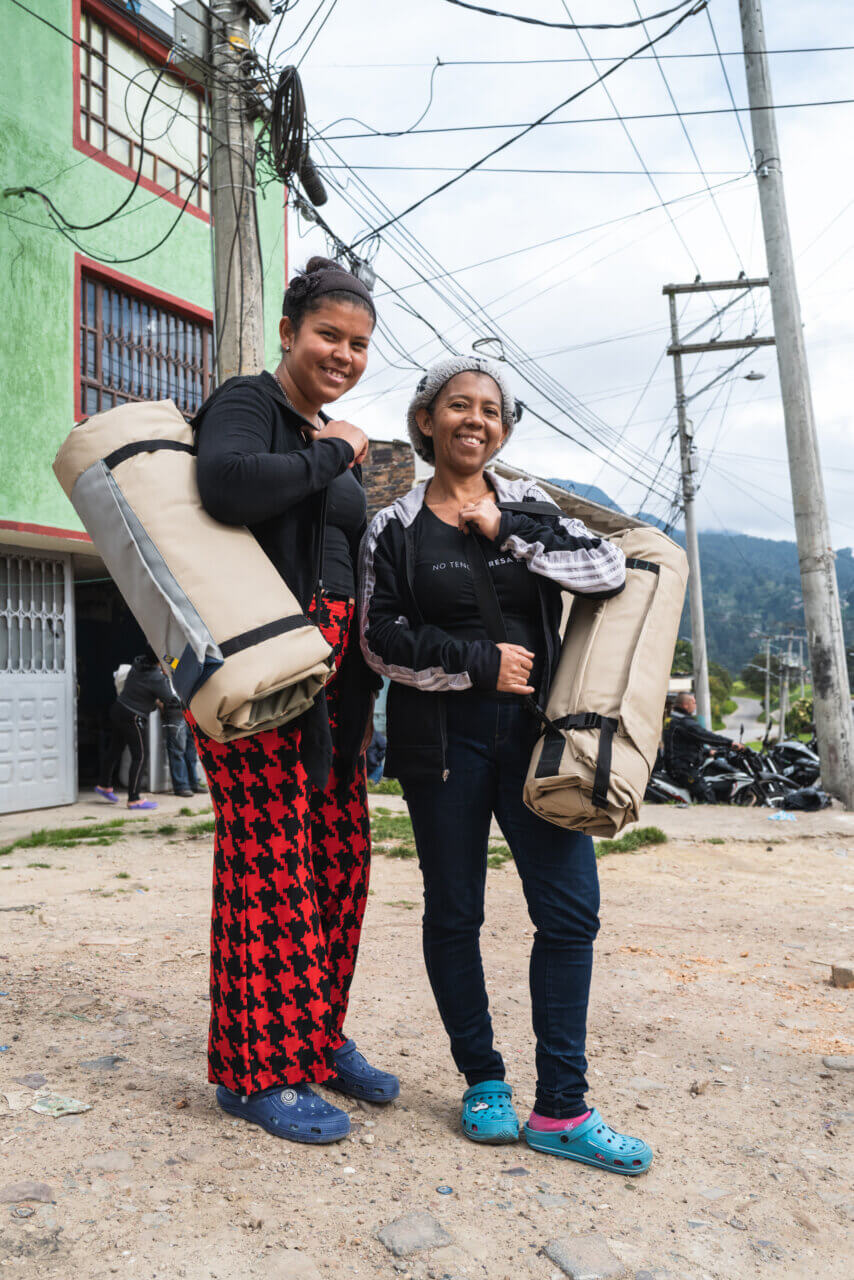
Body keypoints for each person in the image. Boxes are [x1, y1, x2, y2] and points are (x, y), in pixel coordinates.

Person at [359, 356, 653, 1175]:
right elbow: (377, 638)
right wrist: (475, 661)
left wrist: (508, 531)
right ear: (427, 420)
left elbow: (609, 569)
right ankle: (482, 1079)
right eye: (459, 405)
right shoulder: (394, 526)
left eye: (491, 410)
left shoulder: (533, 511)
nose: (475, 419)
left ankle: (562, 1107)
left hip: (536, 743)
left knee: (569, 913)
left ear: (505, 430)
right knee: (455, 914)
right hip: (440, 746)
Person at [188, 256, 398, 1145]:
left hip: (336, 681)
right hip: (263, 667)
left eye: (357, 344)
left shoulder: (316, 430)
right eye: (327, 336)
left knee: (338, 861)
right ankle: (255, 1071)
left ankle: (315, 1038)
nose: (343, 354)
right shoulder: (250, 402)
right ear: (288, 331)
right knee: (268, 864)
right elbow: (226, 485)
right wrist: (337, 450)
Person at [95, 649, 169, 810]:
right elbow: (168, 698)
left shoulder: (138, 662)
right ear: (159, 660)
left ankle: (104, 785)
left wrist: (168, 664)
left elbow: (147, 684)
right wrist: (169, 675)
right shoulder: (157, 677)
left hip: (118, 708)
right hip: (133, 717)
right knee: (141, 756)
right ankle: (134, 799)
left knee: (115, 749)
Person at [664, 691, 743, 802]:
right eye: (694, 703)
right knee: (707, 794)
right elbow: (704, 735)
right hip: (683, 768)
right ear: (686, 704)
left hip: (676, 764)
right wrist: (730, 743)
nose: (695, 706)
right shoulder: (684, 722)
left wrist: (708, 751)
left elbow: (683, 743)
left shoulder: (672, 719)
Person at [161, 692, 204, 798]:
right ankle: (181, 786)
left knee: (191, 749)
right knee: (177, 749)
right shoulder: (163, 675)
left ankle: (193, 782)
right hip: (175, 708)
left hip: (191, 707)